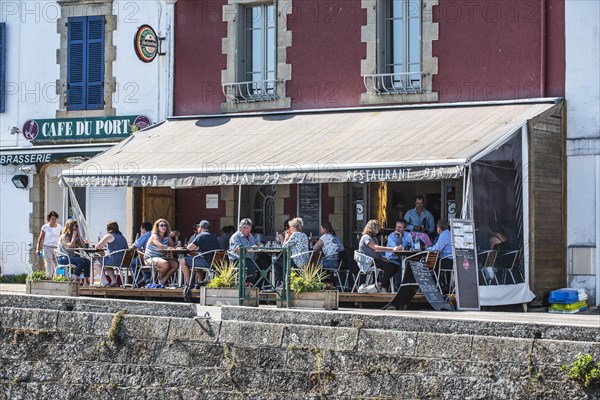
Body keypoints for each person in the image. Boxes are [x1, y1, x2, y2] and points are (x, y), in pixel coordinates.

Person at [358, 219, 401, 292]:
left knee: (396, 266)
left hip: (375, 260)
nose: (379, 229)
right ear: (373, 228)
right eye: (378, 227)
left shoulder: (374, 238)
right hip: (368, 262)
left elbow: (376, 252)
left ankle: (379, 285)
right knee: (389, 267)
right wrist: (392, 249)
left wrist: (383, 258)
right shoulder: (366, 237)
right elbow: (376, 248)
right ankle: (382, 287)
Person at [180, 220, 221, 287]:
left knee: (182, 260)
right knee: (197, 260)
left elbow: (189, 248)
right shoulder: (213, 236)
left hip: (207, 262)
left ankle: (188, 284)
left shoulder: (201, 235)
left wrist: (187, 246)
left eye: (198, 227)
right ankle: (200, 282)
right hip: (214, 263)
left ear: (201, 228)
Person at [144, 218, 179, 286]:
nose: (164, 227)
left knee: (176, 264)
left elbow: (173, 246)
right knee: (165, 264)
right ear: (157, 227)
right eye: (162, 225)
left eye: (165, 225)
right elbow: (160, 246)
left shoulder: (167, 236)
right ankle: (160, 278)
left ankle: (163, 279)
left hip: (161, 257)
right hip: (150, 258)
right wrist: (169, 247)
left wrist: (176, 238)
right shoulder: (154, 236)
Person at [93, 221, 129, 287]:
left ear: (108, 228)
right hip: (123, 261)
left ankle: (105, 281)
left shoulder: (109, 235)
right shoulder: (122, 237)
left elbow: (98, 246)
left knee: (96, 263)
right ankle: (114, 281)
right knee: (106, 264)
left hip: (114, 260)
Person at [57, 219, 91, 285]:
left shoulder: (75, 236)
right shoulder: (64, 236)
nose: (76, 228)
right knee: (81, 261)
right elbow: (71, 246)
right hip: (63, 257)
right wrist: (74, 235)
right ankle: (75, 280)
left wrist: (79, 236)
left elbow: (84, 246)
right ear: (70, 226)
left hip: (71, 257)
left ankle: (86, 281)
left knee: (87, 261)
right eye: (75, 226)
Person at [229, 218, 261, 283]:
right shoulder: (235, 237)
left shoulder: (250, 236)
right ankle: (247, 286)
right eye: (247, 228)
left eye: (250, 228)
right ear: (241, 228)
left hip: (251, 259)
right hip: (238, 260)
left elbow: (258, 243)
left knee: (264, 265)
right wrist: (251, 248)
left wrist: (260, 245)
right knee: (251, 264)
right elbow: (238, 250)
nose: (249, 231)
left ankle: (258, 286)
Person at [36, 211, 62, 277]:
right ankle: (49, 279)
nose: (54, 220)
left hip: (57, 248)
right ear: (49, 219)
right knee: (49, 266)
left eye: (55, 219)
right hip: (47, 247)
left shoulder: (59, 227)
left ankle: (59, 278)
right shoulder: (45, 227)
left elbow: (62, 237)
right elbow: (40, 239)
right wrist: (37, 249)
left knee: (59, 265)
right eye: (52, 219)